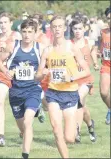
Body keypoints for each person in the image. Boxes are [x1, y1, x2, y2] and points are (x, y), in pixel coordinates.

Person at [35, 15, 91, 158]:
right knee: (56, 129)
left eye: (60, 26)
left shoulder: (71, 48)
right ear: (51, 29)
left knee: (69, 138)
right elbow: (37, 76)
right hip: (53, 93)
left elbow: (86, 70)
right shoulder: (47, 50)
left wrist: (71, 77)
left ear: (65, 28)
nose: (57, 29)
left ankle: (76, 129)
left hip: (70, 93)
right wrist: (43, 73)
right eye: (55, 27)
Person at [0, 19, 44, 159]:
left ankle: (25, 155)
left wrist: (42, 73)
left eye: (30, 32)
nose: (27, 35)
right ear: (20, 32)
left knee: (28, 120)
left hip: (33, 90)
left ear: (35, 33)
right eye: (24, 31)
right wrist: (6, 72)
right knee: (23, 127)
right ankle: (25, 135)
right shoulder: (13, 46)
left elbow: (45, 67)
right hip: (16, 92)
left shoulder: (39, 48)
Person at [0, 11, 21, 147]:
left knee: (17, 105)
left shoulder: (17, 36)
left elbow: (22, 52)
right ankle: (1, 136)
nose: (3, 25)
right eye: (1, 22)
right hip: (1, 72)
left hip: (17, 73)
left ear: (11, 23)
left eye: (5, 22)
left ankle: (24, 130)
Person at [70, 16, 99, 143]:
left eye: (80, 28)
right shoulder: (68, 45)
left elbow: (94, 54)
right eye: (75, 28)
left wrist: (96, 62)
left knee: (78, 98)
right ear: (71, 29)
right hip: (74, 79)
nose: (77, 31)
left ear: (84, 29)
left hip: (87, 79)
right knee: (82, 106)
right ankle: (90, 125)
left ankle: (77, 132)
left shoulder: (90, 42)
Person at [99, 7, 110, 125]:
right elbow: (99, 47)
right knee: (103, 92)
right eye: (108, 19)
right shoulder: (103, 32)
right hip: (107, 66)